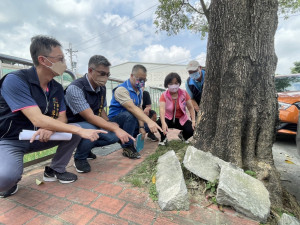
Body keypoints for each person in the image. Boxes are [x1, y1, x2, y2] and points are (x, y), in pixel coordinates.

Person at [0, 35, 105, 198]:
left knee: (75, 129)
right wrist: (75, 131)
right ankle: (11, 181)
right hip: (12, 140)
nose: (64, 64)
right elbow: (37, 119)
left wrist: (48, 127)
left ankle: (55, 170)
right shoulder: (16, 80)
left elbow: (62, 118)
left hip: (41, 136)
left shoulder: (56, 87)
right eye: (60, 59)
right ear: (43, 60)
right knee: (5, 178)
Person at [65, 55, 134, 173]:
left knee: (116, 131)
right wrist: (115, 128)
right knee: (92, 127)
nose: (105, 78)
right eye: (102, 73)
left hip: (91, 121)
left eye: (107, 75)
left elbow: (101, 109)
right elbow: (90, 117)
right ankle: (80, 157)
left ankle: (87, 149)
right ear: (90, 71)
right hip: (74, 124)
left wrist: (109, 123)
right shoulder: (76, 88)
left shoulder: (101, 88)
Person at [108, 64, 162, 159]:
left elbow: (139, 108)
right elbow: (132, 108)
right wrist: (149, 121)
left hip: (130, 118)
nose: (142, 82)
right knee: (131, 115)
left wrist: (142, 126)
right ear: (132, 76)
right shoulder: (121, 89)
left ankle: (124, 138)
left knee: (146, 127)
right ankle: (127, 147)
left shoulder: (139, 91)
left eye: (144, 80)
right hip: (116, 120)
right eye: (139, 79)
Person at [157, 72, 196, 145]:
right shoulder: (164, 95)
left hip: (181, 119)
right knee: (159, 123)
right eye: (171, 83)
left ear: (179, 83)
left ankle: (183, 136)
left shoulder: (184, 93)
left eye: (176, 83)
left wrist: (193, 121)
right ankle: (163, 139)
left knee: (192, 129)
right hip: (168, 118)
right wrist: (163, 122)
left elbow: (190, 108)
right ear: (167, 84)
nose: (173, 85)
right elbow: (162, 109)